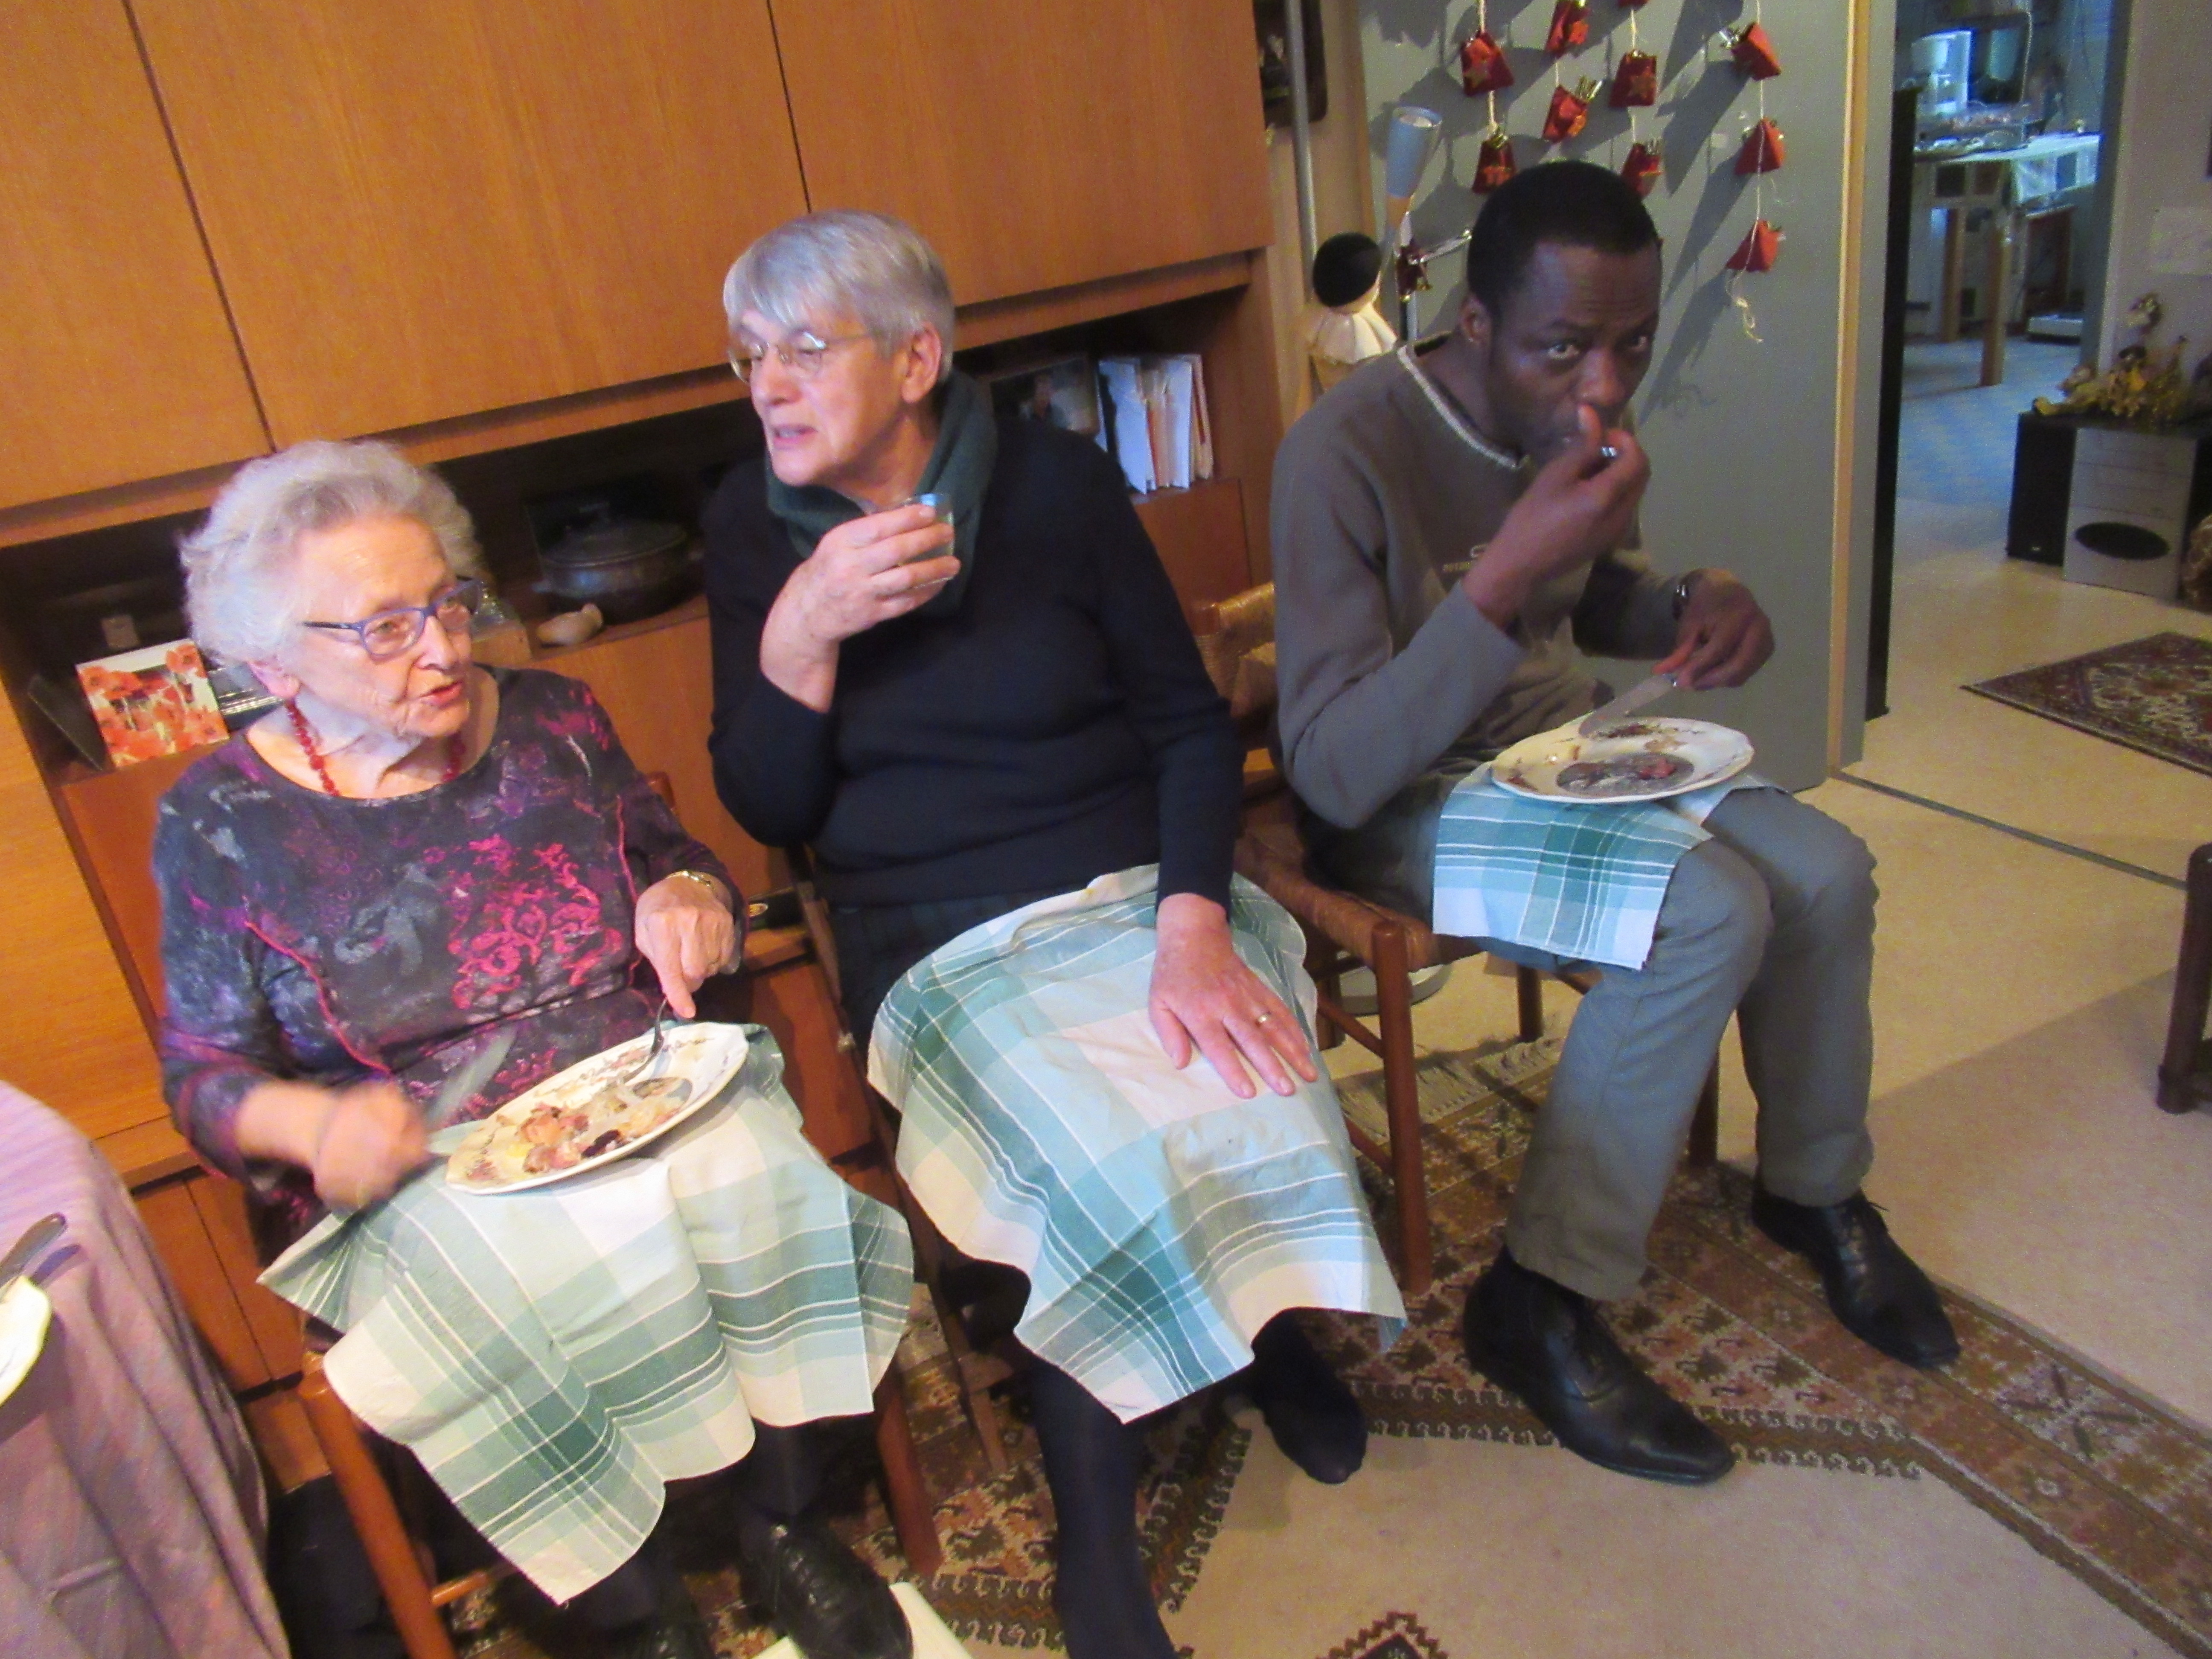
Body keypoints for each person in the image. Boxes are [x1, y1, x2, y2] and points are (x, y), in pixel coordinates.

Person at [704, 210, 1404, 1659]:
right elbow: (774, 805)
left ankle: (1268, 1331)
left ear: (917, 361)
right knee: (1094, 1154)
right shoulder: (748, 530)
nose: (768, 382)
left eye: (805, 348)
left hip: (1140, 884)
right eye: (748, 353)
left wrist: (1194, 923)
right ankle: (1097, 1527)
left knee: (1250, 1073)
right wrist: (803, 632)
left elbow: (1185, 729)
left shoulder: (1057, 485)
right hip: (931, 930)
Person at [156, 440, 915, 1659]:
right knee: (488, 1289)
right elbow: (199, 1074)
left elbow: (681, 861)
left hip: (631, 1085)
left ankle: (782, 1520)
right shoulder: (219, 821)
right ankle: (635, 1607)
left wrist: (689, 898)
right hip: (419, 1156)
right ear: (272, 662)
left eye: (450, 603)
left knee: (758, 1173)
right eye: (386, 629)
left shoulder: (555, 718)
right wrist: (307, 1124)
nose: (444, 649)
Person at [1269, 161, 1959, 1488]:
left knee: (1825, 869)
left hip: (1562, 750)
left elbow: (1593, 600)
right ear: (1476, 323)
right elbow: (1336, 774)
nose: (1602, 385)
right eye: (1566, 348)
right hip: (1411, 800)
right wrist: (1506, 572)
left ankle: (1812, 1187)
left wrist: (1692, 599)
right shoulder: (1341, 455)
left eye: (1632, 346)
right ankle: (1540, 1296)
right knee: (1709, 911)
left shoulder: (1570, 408)